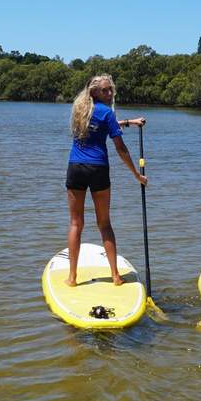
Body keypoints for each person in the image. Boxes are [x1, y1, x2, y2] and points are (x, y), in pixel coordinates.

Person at [65, 74, 146, 287]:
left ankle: (72, 278)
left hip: (75, 168)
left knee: (76, 223)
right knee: (104, 224)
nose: (109, 93)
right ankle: (116, 277)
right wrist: (136, 174)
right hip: (98, 168)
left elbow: (103, 126)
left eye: (111, 89)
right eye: (105, 90)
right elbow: (120, 147)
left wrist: (129, 122)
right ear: (94, 92)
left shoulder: (80, 111)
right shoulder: (106, 112)